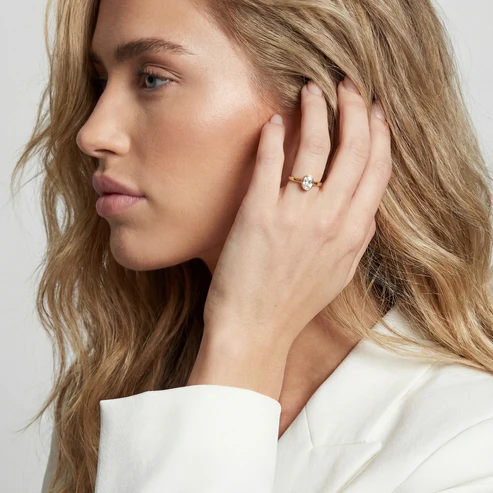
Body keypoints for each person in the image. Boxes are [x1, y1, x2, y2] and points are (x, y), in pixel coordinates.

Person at [10, 0, 493, 491]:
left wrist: (243, 342)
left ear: (323, 108)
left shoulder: (470, 446)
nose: (92, 133)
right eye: (100, 81)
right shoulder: (116, 398)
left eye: (152, 78)